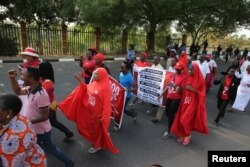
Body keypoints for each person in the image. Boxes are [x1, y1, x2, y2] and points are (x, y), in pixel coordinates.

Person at [8, 67, 75, 167]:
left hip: (41, 131)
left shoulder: (41, 95)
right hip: (33, 128)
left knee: (51, 149)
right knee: (37, 148)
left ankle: (69, 162)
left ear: (31, 78)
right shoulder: (30, 88)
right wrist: (12, 78)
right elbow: (18, 91)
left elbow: (45, 116)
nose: (21, 77)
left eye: (23, 75)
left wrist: (26, 121)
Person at [58, 68, 119, 154]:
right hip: (90, 111)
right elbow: (86, 88)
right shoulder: (95, 82)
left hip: (98, 116)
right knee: (90, 128)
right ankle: (100, 138)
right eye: (94, 73)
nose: (94, 75)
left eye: (96, 74)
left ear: (102, 76)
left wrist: (104, 117)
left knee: (96, 131)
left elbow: (107, 105)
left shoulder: (106, 88)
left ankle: (97, 146)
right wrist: (79, 80)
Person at [0, 94, 47, 166]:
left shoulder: (12, 140)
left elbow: (11, 164)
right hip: (37, 159)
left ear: (9, 113)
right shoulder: (20, 117)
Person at [171, 63, 208, 145]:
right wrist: (178, 87)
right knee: (180, 119)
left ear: (196, 70)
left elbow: (203, 95)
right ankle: (183, 134)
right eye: (188, 69)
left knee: (184, 120)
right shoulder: (187, 78)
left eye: (191, 70)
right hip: (185, 102)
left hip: (193, 103)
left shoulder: (201, 80)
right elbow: (182, 90)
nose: (189, 71)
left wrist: (193, 90)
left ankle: (188, 135)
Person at [39, 61, 74, 141]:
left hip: (50, 106)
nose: (38, 69)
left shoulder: (48, 83)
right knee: (52, 122)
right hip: (50, 104)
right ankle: (68, 133)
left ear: (43, 70)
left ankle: (68, 133)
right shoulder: (43, 79)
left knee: (52, 122)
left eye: (39, 68)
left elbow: (44, 96)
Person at [158, 63, 186, 138]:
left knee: (170, 114)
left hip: (176, 99)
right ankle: (175, 123)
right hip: (169, 96)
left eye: (178, 69)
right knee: (167, 113)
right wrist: (161, 94)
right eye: (176, 68)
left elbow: (181, 91)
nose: (176, 70)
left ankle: (169, 130)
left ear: (182, 69)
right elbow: (169, 85)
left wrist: (177, 87)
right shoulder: (173, 75)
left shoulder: (184, 77)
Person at [112, 61, 137, 131]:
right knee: (121, 109)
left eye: (122, 67)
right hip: (120, 95)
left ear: (127, 69)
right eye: (121, 66)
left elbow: (135, 88)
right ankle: (133, 114)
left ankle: (118, 126)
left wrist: (128, 91)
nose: (121, 68)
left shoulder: (130, 77)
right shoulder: (121, 73)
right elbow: (120, 81)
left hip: (127, 96)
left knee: (120, 110)